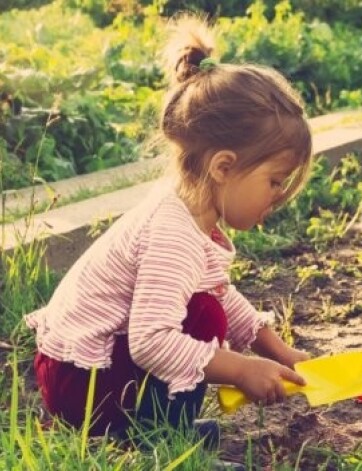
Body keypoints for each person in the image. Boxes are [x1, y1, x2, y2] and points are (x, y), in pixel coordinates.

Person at [24, 15, 313, 447]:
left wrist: (277, 351)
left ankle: (150, 426)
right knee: (202, 317)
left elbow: (218, 289)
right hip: (81, 384)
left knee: (206, 307)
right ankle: (155, 439)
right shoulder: (172, 233)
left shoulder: (189, 212)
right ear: (224, 167)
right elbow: (151, 343)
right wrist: (240, 368)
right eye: (274, 181)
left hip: (84, 374)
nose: (278, 196)